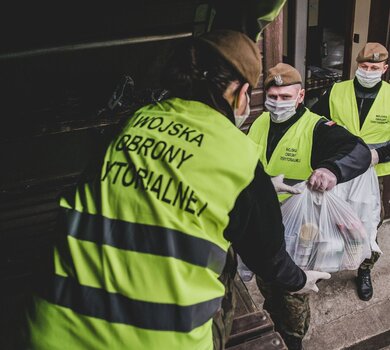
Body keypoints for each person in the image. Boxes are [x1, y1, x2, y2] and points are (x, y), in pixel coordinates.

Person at [22, 31, 328, 350]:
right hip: (160, 342)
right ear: (239, 93)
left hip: (51, 332)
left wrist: (260, 189)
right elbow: (270, 260)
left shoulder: (131, 123)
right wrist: (301, 281)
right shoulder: (239, 156)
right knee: (226, 259)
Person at [248, 63, 371, 350]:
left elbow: (359, 151)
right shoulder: (259, 123)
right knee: (268, 279)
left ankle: (293, 338)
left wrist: (331, 170)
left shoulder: (316, 128)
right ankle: (273, 316)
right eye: (273, 96)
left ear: (301, 95)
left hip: (300, 226)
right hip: (266, 219)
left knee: (293, 291)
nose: (277, 103)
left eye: (285, 97)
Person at [312, 42, 390, 302]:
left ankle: (363, 269)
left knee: (368, 225)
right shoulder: (337, 90)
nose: (368, 71)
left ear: (384, 69)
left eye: (374, 67)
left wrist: (378, 155)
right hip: (339, 170)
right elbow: (315, 121)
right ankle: (324, 264)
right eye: (364, 66)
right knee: (329, 220)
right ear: (357, 66)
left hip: (375, 172)